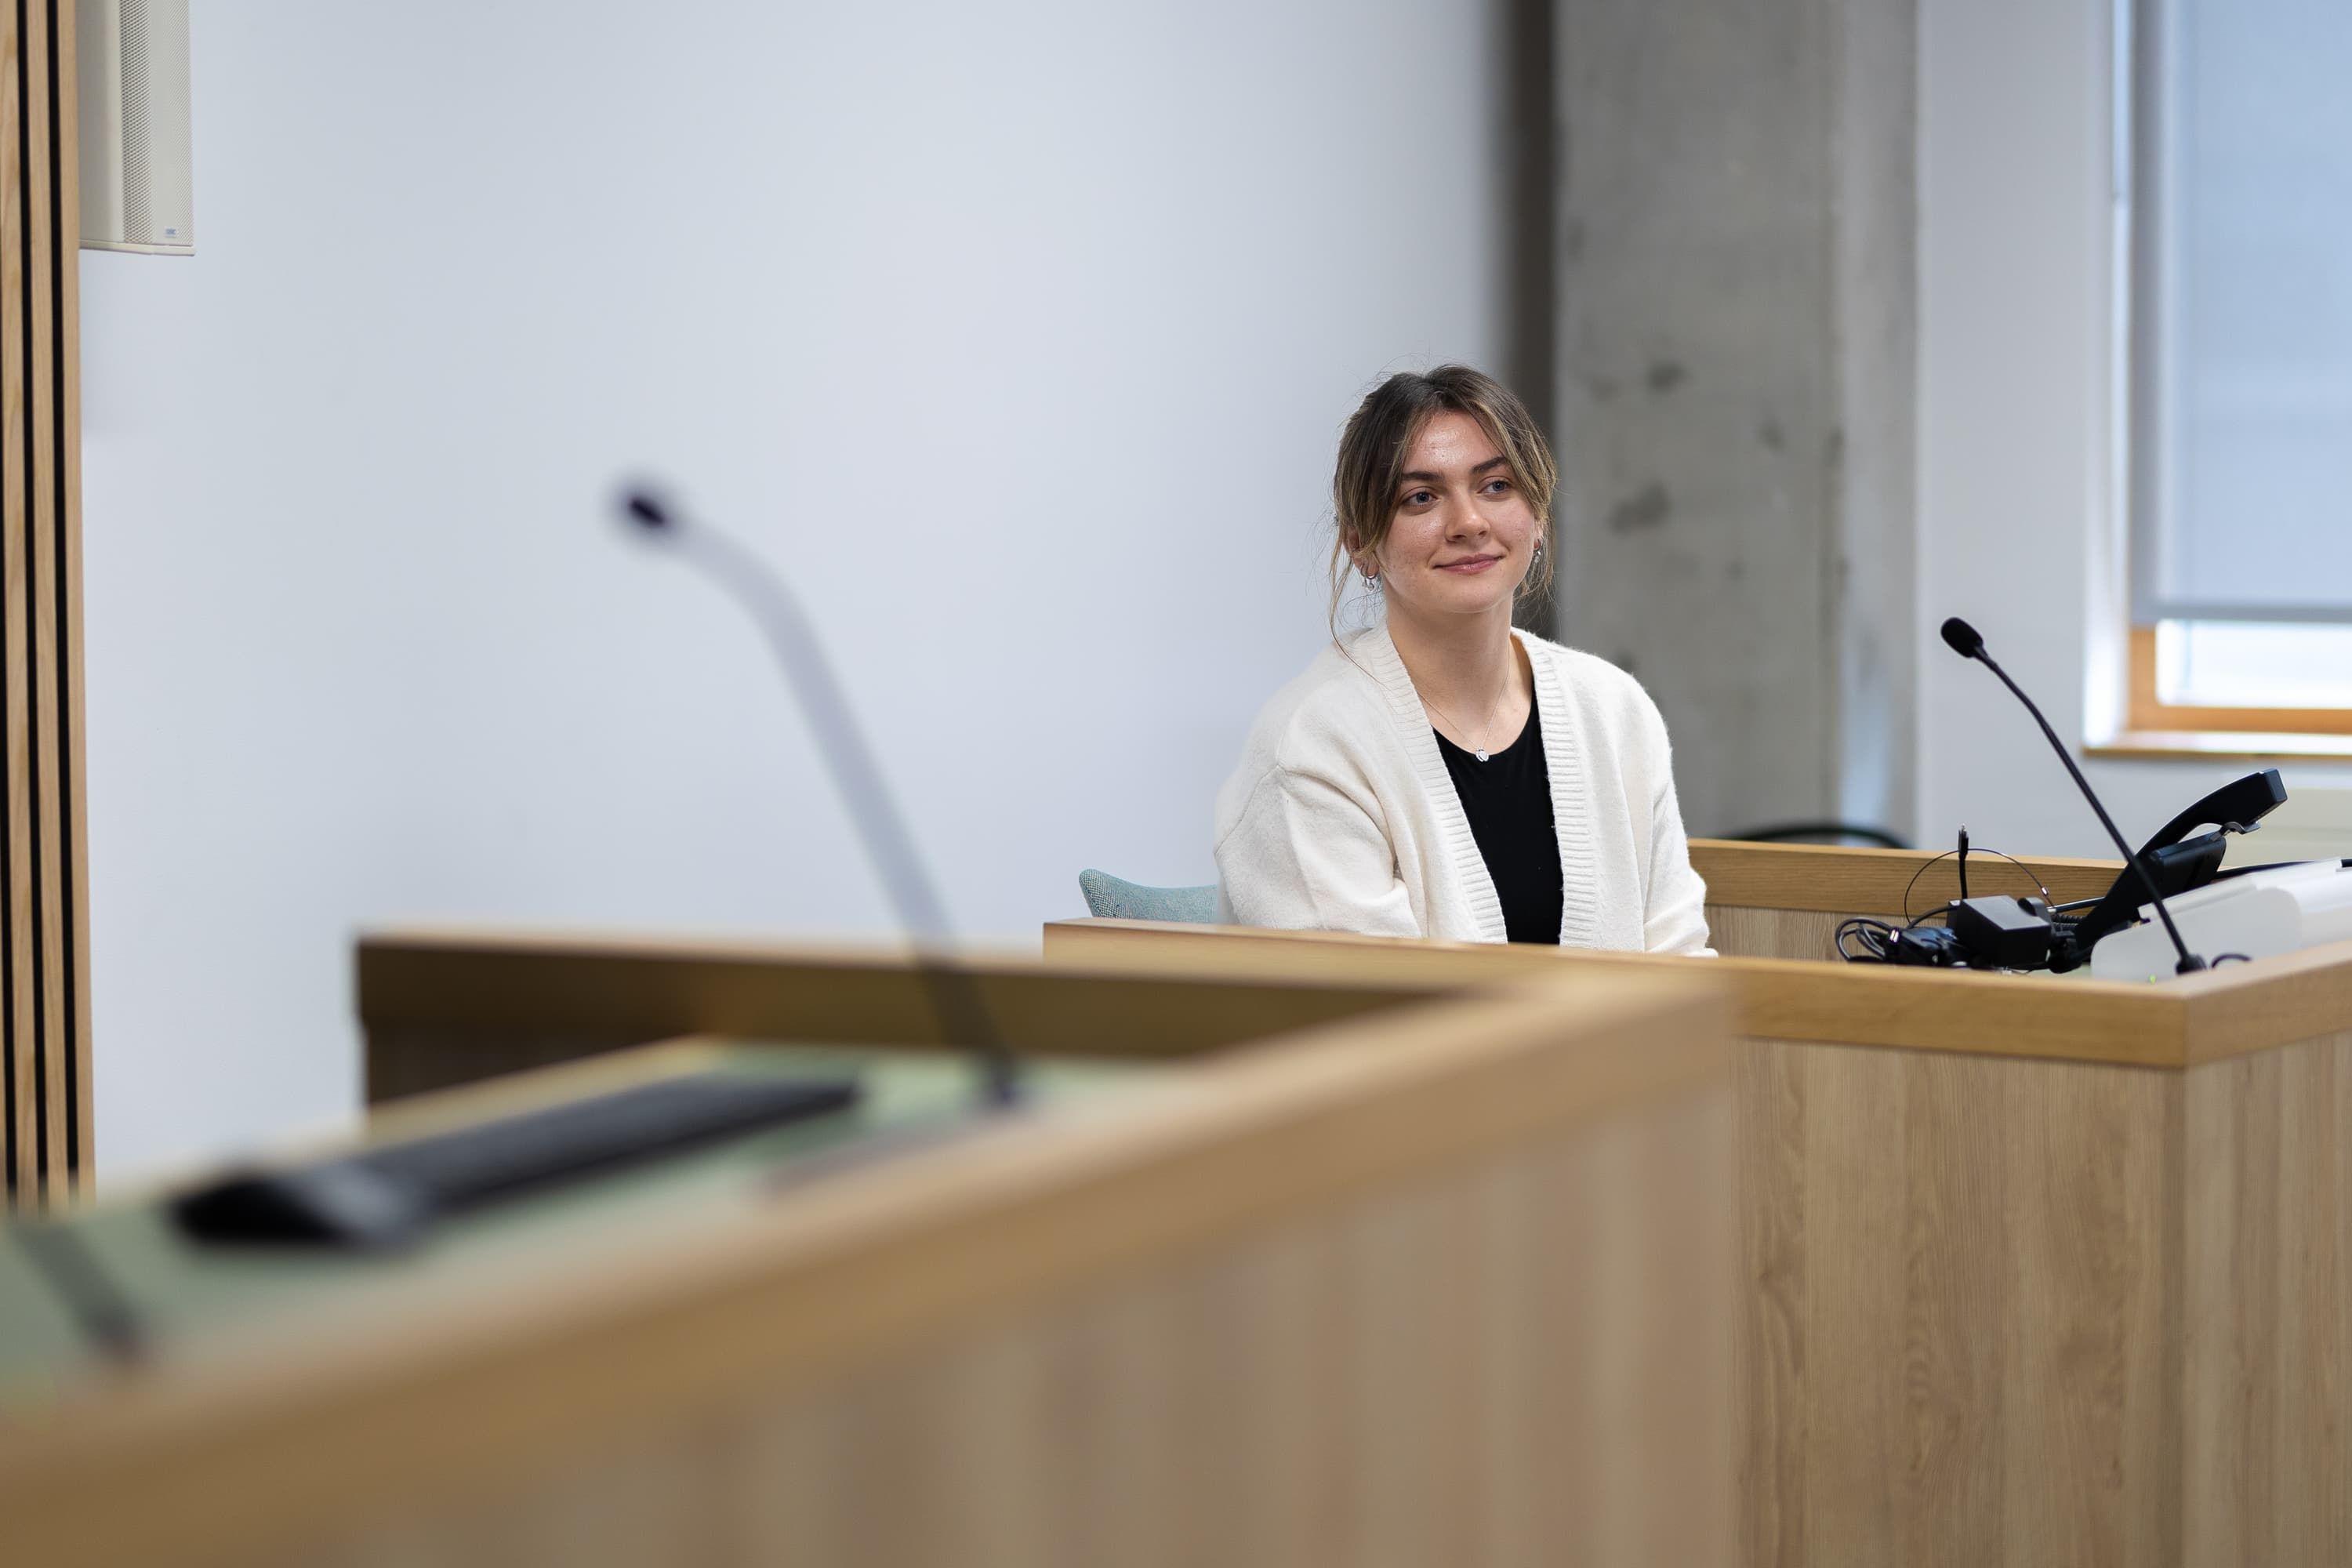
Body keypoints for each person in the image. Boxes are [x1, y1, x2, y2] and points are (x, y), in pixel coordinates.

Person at [1214, 365, 1711, 953]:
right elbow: (1374, 1018)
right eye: (1421, 497)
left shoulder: (1614, 710)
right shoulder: (1311, 747)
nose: (1469, 522)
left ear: (1539, 516)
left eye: (1496, 486)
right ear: (1361, 544)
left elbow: (1682, 966)